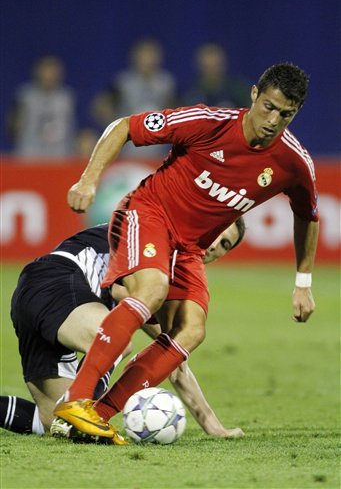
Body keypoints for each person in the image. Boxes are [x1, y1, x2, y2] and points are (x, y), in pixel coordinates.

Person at [54, 63, 319, 442]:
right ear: (254, 94)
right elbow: (125, 126)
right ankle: (77, 398)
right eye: (269, 107)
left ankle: (97, 415)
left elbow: (308, 215)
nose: (273, 121)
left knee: (192, 330)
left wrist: (303, 282)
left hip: (189, 248)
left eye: (286, 114)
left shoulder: (294, 163)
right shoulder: (207, 122)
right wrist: (88, 179)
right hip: (148, 214)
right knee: (152, 289)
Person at [1, 220, 245, 441]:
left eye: (224, 244)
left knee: (53, 420)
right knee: (115, 340)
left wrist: (212, 425)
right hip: (56, 280)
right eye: (215, 232)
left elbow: (173, 359)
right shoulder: (159, 241)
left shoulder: (167, 275)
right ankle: (89, 411)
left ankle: (83, 411)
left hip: (41, 298)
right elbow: (119, 290)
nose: (214, 246)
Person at [90, 38, 177, 159]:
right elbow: (100, 107)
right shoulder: (123, 83)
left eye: (151, 55)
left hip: (159, 152)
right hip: (129, 151)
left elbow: (176, 110)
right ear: (135, 57)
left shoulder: (166, 83)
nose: (147, 60)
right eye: (144, 55)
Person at [6, 56, 77, 159]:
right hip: (29, 157)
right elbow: (12, 129)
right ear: (37, 72)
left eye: (52, 71)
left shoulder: (67, 98)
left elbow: (75, 129)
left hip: (60, 158)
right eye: (45, 70)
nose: (49, 75)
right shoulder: (25, 97)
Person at [182, 43, 250, 108]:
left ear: (223, 65)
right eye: (207, 67)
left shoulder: (239, 90)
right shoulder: (189, 95)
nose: (212, 72)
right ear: (199, 66)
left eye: (215, 66)